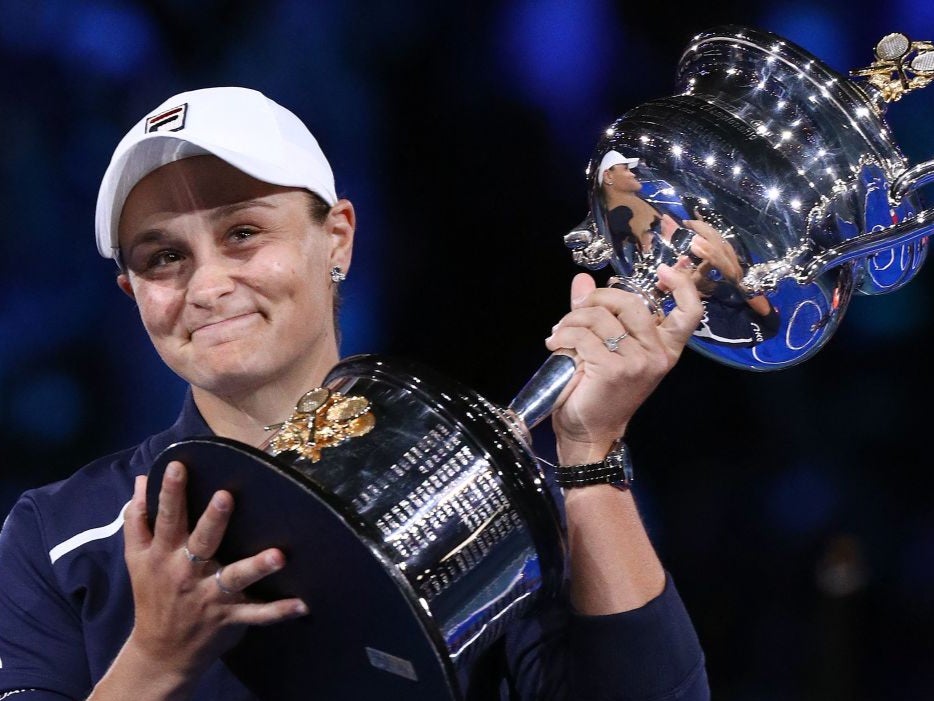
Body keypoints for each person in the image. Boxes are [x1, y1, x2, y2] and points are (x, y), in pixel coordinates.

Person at [0, 87, 710, 700]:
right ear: (132, 293)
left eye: (243, 232)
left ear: (337, 238)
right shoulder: (62, 534)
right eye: (163, 257)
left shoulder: (484, 498)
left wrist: (589, 453)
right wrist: (154, 659)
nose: (208, 286)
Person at [598, 150, 779, 347]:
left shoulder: (640, 246)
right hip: (752, 316)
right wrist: (713, 251)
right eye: (626, 169)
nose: (633, 174)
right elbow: (745, 286)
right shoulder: (698, 315)